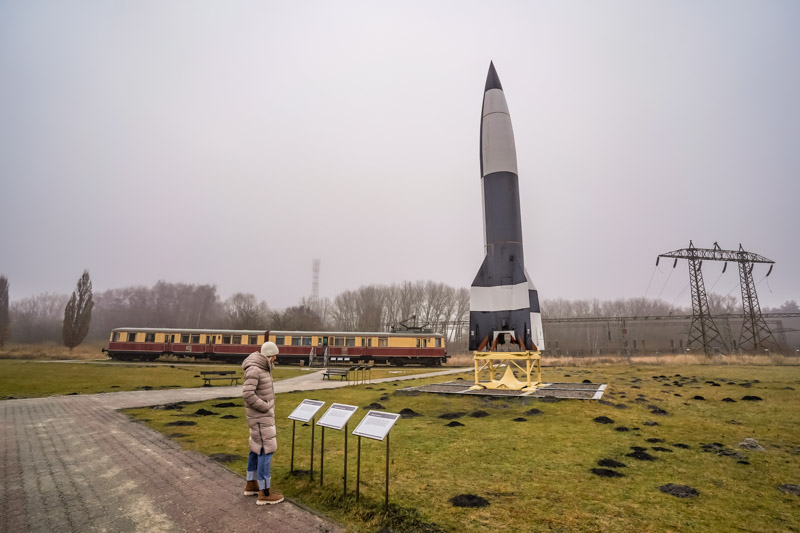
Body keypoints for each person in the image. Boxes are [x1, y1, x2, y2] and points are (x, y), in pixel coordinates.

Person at [242, 341, 284, 505]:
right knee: (266, 450)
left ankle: (251, 484)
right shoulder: (255, 370)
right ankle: (265, 493)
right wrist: (265, 406)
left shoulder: (261, 368)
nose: (275, 359)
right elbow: (248, 394)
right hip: (260, 418)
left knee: (256, 449)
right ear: (269, 356)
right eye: (274, 356)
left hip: (261, 418)